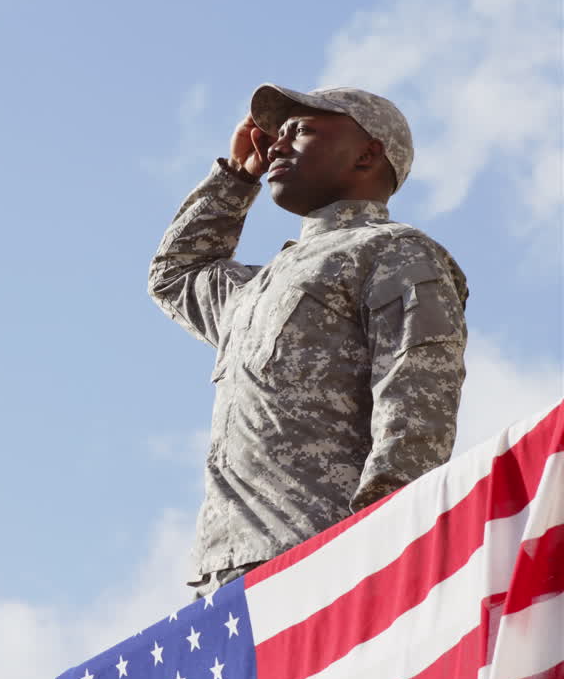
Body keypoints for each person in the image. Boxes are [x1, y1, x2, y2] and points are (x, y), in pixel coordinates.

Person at [149, 84, 468, 594]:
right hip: (227, 580)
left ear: (368, 152)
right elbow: (175, 273)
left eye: (301, 132)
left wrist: (382, 535)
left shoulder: (394, 252)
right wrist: (235, 179)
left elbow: (415, 396)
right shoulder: (254, 290)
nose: (275, 144)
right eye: (277, 135)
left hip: (329, 559)